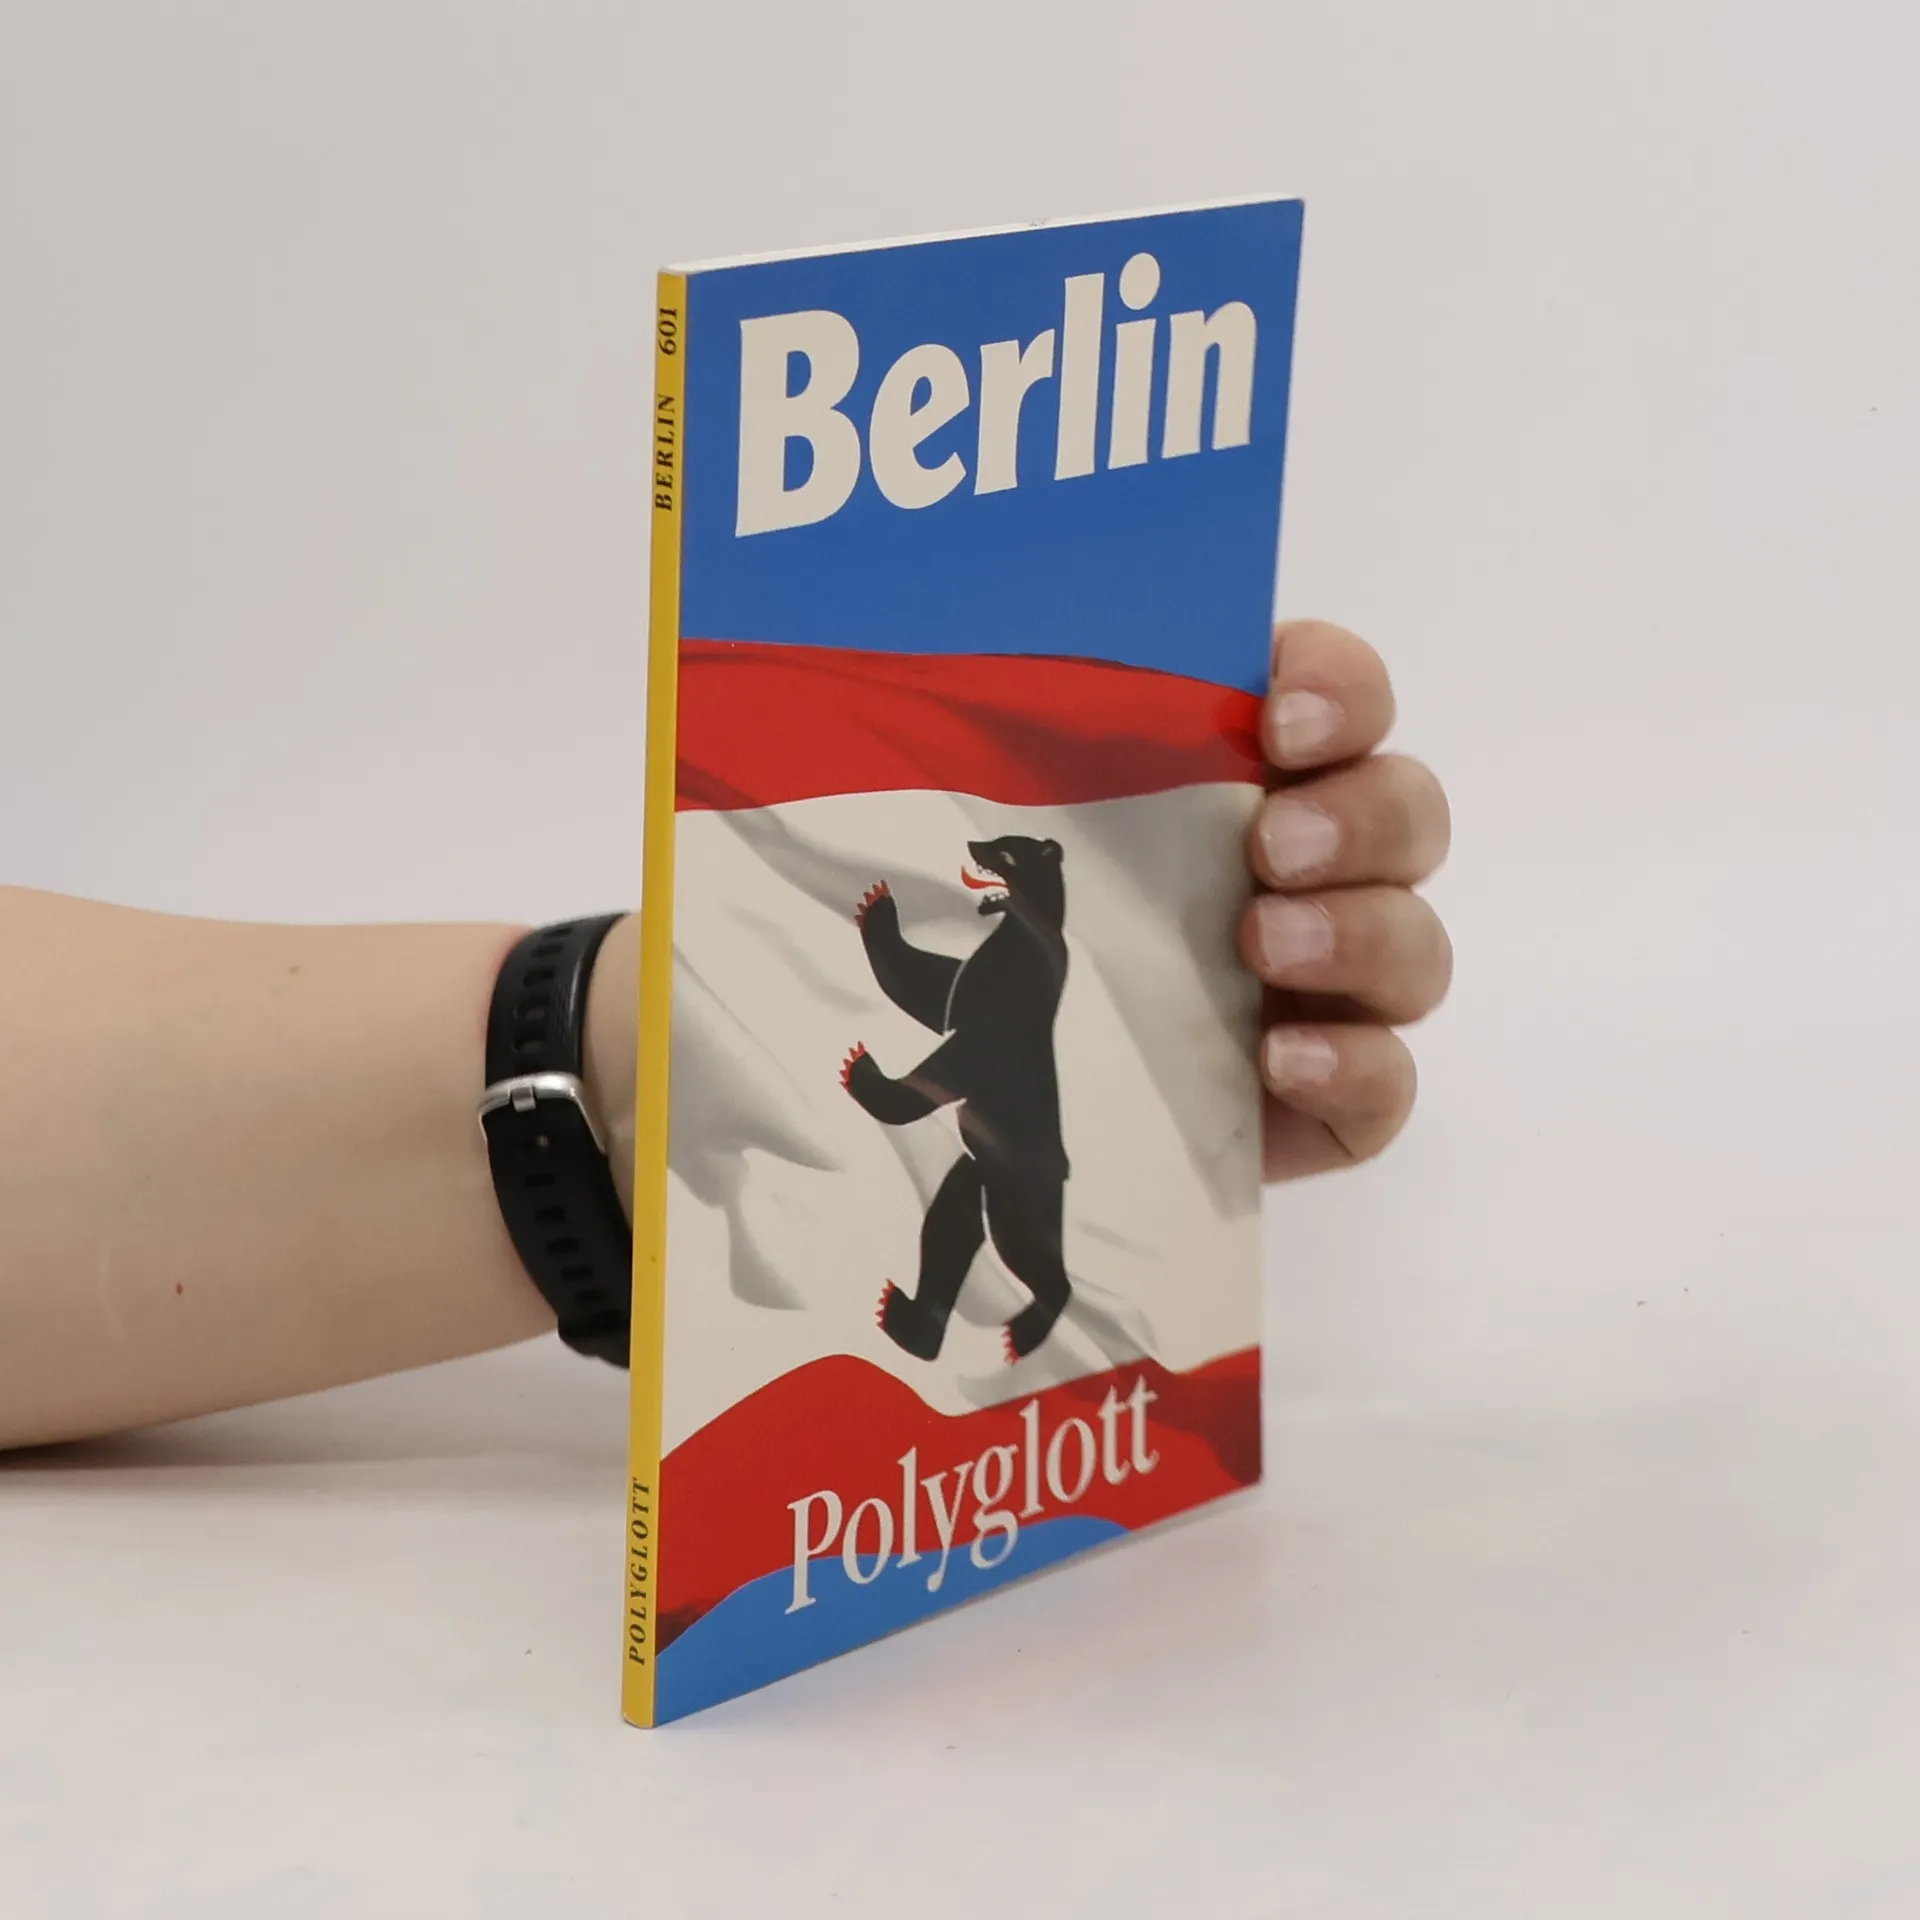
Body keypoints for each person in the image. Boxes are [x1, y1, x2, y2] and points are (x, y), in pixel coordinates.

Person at [0, 621, 1452, 1451]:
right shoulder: (1013, 952)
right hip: (974, 1127)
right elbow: (943, 1015)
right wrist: (781, 1009)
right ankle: (952, 1302)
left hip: (999, 1129)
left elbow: (966, 1047)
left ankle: (1007, 1300)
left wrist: (742, 1050)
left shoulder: (1031, 957)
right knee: (970, 1223)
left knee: (1004, 1227)